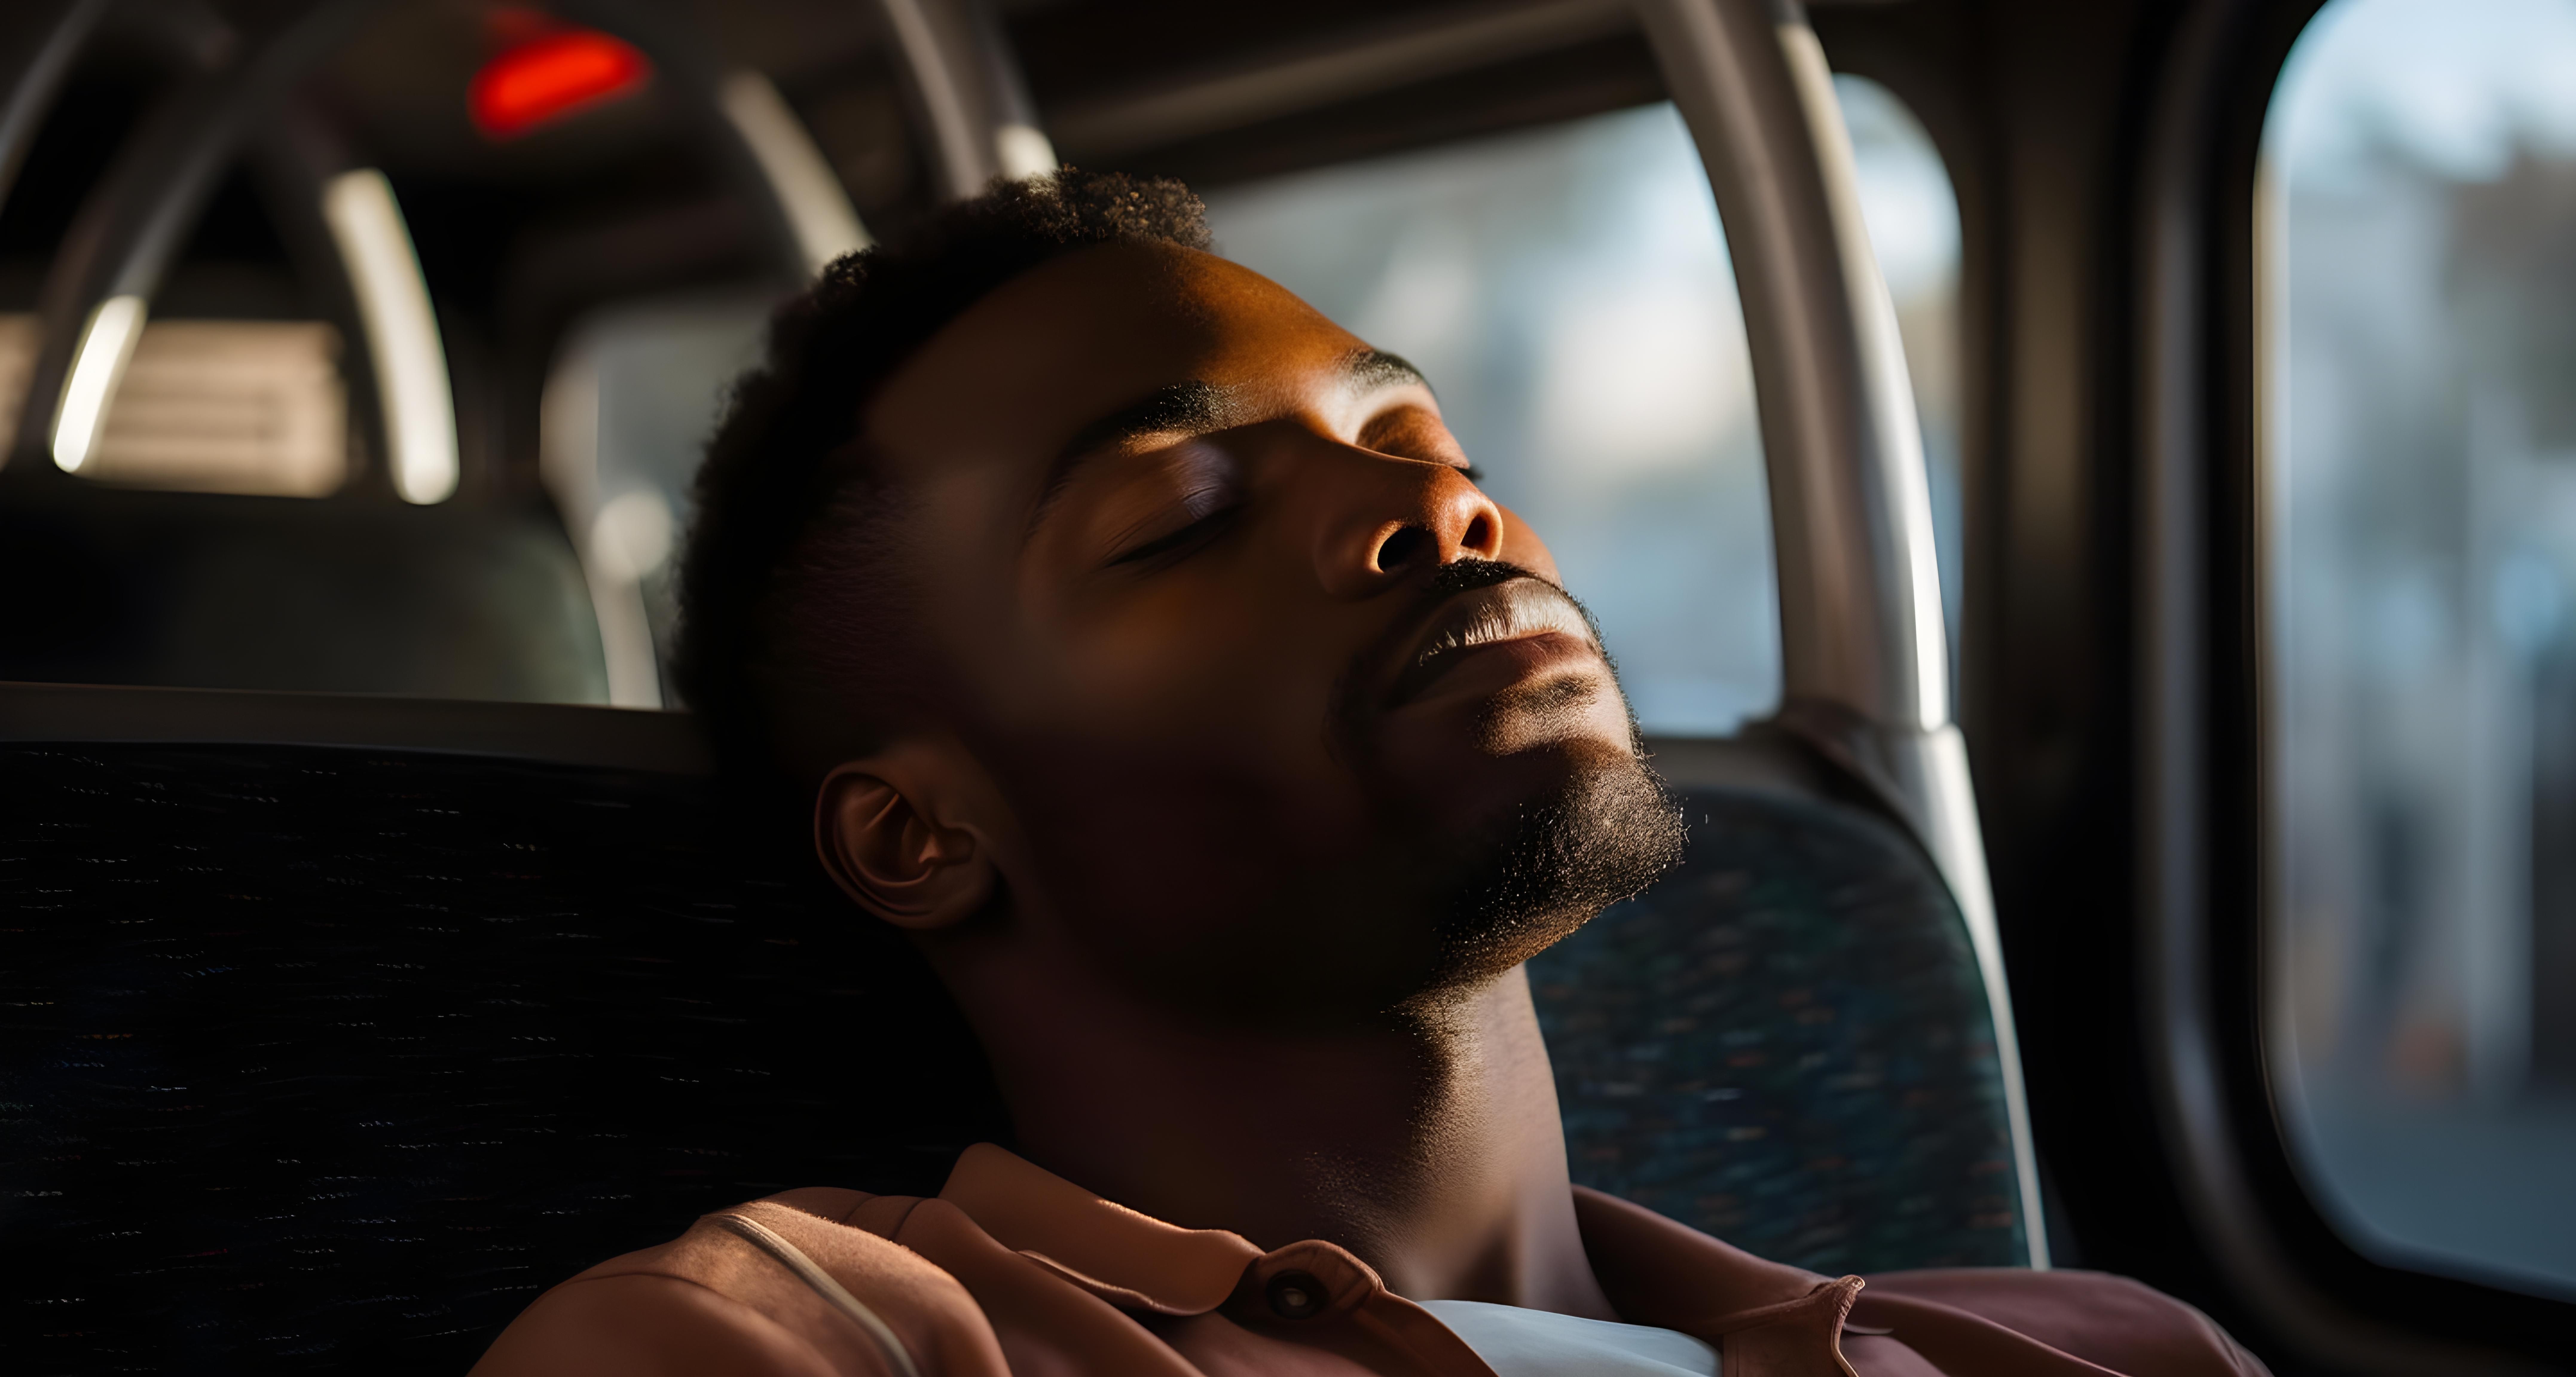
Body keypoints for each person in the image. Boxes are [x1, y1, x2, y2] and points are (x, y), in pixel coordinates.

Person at [470, 171, 2266, 1377]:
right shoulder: (791, 1350)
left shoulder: (2096, 1345)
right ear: (919, 831)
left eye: (1414, 436)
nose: (1438, 506)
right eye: (1181, 515)